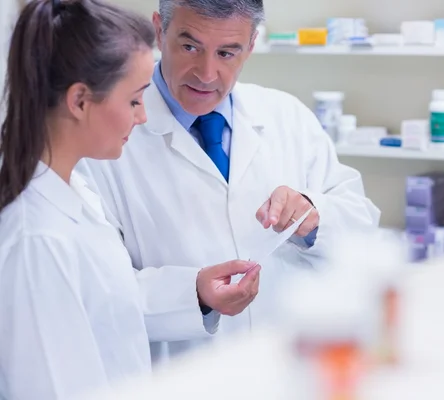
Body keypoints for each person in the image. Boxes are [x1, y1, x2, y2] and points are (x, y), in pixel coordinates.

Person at [78, 0, 381, 362]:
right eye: (190, 47)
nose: (206, 73)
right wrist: (194, 296)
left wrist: (314, 217)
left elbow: (362, 229)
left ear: (251, 44)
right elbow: (95, 289)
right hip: (181, 377)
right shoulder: (104, 140)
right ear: (159, 30)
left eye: (226, 52)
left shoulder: (287, 117)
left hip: (287, 367)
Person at [0, 0, 260, 398]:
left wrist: (195, 290)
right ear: (80, 101)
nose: (142, 117)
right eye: (135, 99)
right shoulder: (38, 239)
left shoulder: (75, 197)